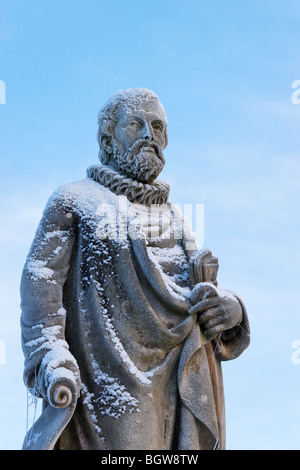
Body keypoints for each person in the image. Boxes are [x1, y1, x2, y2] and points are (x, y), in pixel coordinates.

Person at [20, 88, 250, 450]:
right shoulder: (74, 200)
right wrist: (50, 353)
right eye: (136, 125)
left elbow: (195, 297)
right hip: (107, 390)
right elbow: (41, 282)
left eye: (158, 127)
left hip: (179, 391)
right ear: (108, 140)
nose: (149, 136)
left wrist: (232, 307)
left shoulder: (177, 220)